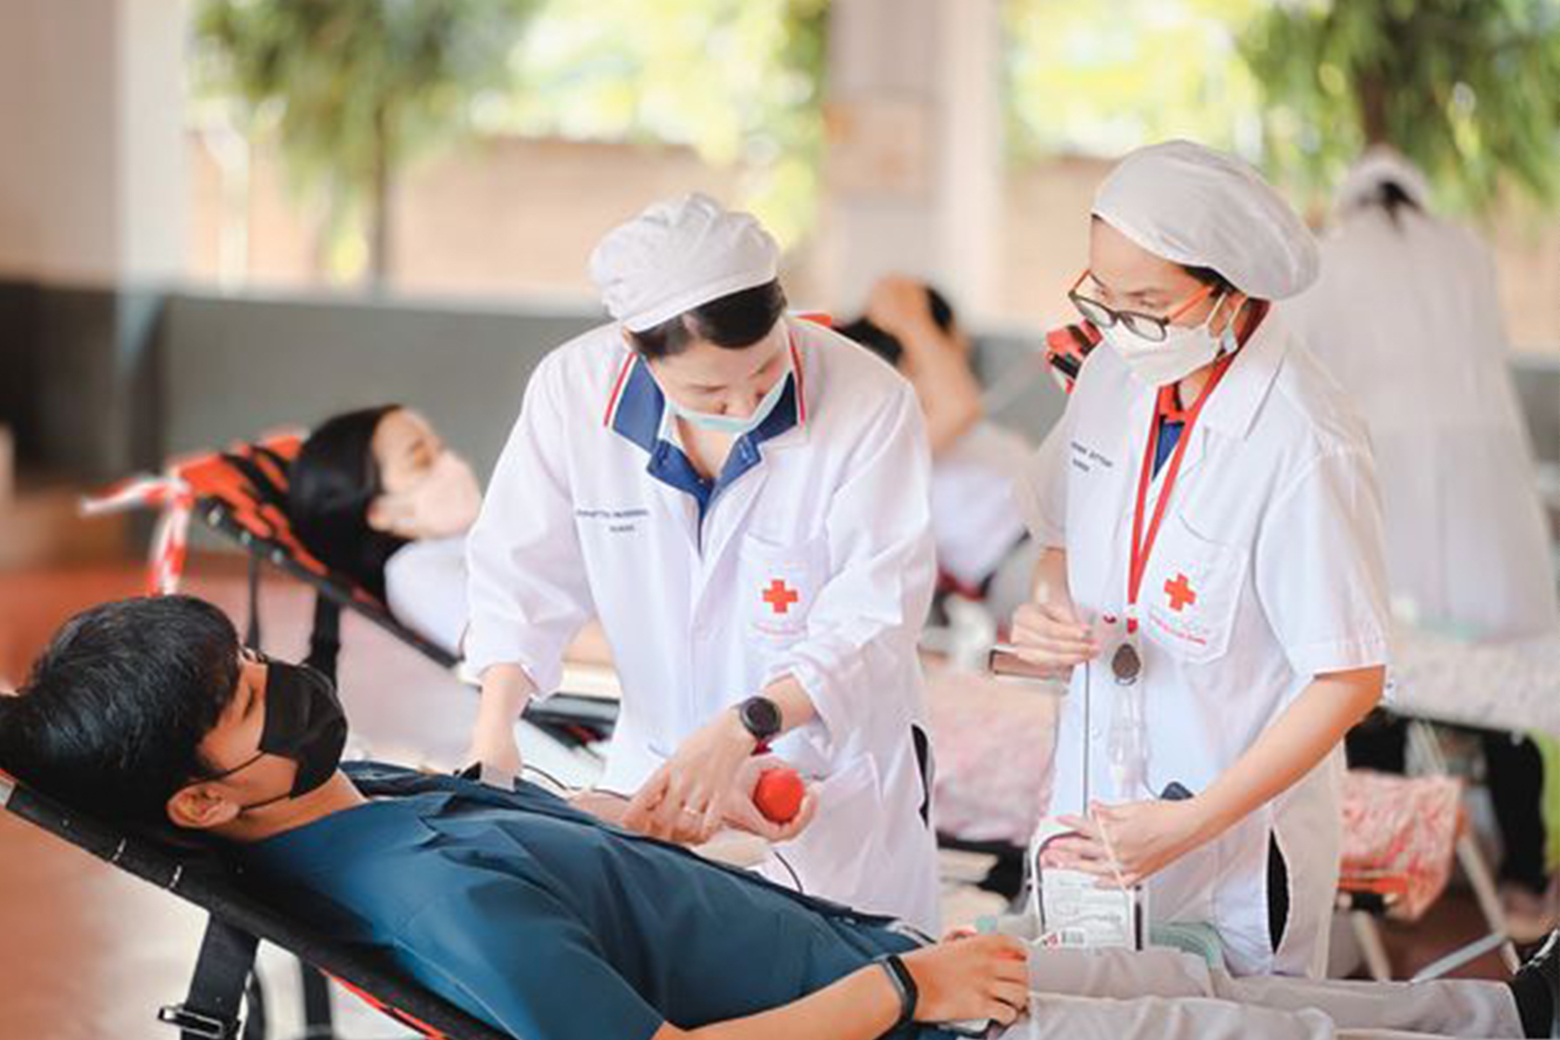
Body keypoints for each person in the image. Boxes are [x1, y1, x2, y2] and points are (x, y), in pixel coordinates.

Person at [1, 595, 1557, 1040]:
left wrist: (626, 846)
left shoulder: (363, 802)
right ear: (205, 800)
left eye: (254, 650)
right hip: (911, 1009)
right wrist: (905, 992)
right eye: (248, 699)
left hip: (894, 958)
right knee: (1236, 1035)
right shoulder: (427, 897)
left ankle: (1512, 1012)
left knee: (1221, 989)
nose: (285, 676)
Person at [463, 193, 940, 927]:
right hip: (654, 772)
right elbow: (518, 572)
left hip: (824, 776)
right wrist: (494, 738)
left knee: (853, 996)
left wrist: (741, 728)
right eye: (708, 389)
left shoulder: (870, 400)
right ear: (633, 344)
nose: (745, 400)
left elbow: (875, 616)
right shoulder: (572, 392)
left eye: (764, 371)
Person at [1009, 140, 1391, 977]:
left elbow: (1348, 678)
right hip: (1096, 811)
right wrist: (1049, 611)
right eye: (1103, 295)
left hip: (1233, 844)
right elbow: (1060, 537)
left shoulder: (1304, 439)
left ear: (1231, 293)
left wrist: (1196, 822)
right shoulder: (1115, 372)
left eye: (1148, 301)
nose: (1117, 324)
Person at [1287, 147, 1560, 939]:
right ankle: (1524, 880)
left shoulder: (1335, 258)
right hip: (1484, 486)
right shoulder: (1467, 252)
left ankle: (1386, 866)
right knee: (1500, 685)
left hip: (1389, 471)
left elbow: (1306, 366)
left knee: (1379, 669)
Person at [838, 277, 1040, 624]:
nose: (956, 355)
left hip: (1053, 537)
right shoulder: (882, 438)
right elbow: (959, 405)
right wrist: (912, 318)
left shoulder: (940, 421)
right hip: (1019, 562)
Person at [289, 405, 480, 654]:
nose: (452, 464)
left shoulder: (468, 539)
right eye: (421, 461)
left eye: (441, 449)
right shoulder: (414, 573)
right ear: (379, 512)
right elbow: (508, 648)